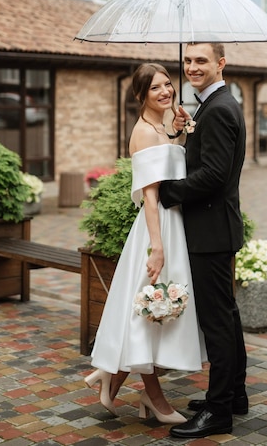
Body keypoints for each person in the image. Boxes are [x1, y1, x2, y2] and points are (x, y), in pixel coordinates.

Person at [84, 62, 206, 424]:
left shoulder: (160, 128)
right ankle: (154, 400)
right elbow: (151, 196)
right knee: (149, 311)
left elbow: (169, 168)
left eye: (168, 84)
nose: (166, 92)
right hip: (160, 227)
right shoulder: (144, 132)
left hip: (173, 223)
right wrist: (157, 247)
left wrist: (180, 134)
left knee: (152, 312)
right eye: (156, 88)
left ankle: (111, 375)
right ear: (141, 95)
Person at [159, 42, 248, 439]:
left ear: (220, 64)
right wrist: (184, 128)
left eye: (201, 61)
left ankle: (219, 411)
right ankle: (234, 395)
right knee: (226, 316)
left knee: (218, 322)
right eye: (188, 61)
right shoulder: (212, 106)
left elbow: (213, 175)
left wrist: (169, 191)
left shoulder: (220, 109)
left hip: (211, 231)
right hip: (217, 228)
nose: (192, 67)